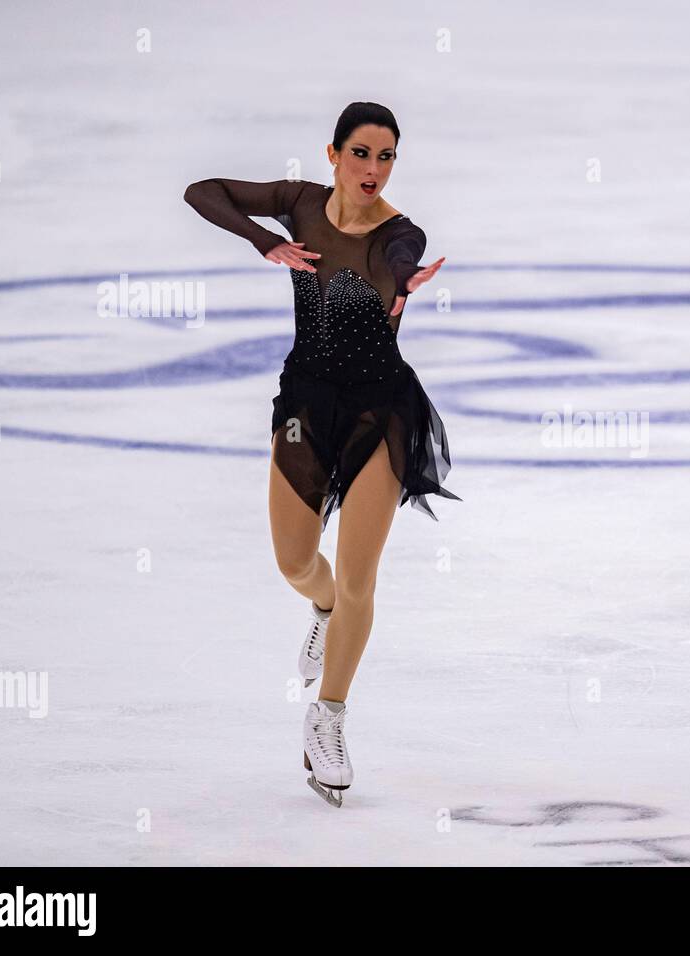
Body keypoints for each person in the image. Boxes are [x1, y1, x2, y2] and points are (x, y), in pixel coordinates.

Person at [184, 101, 459, 806]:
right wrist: (261, 241)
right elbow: (202, 192)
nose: (374, 169)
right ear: (332, 153)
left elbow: (396, 262)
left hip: (380, 410)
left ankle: (328, 717)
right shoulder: (297, 205)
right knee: (297, 562)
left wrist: (404, 281)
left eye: (387, 157)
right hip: (307, 406)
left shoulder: (402, 233)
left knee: (363, 576)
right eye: (362, 154)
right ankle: (324, 611)